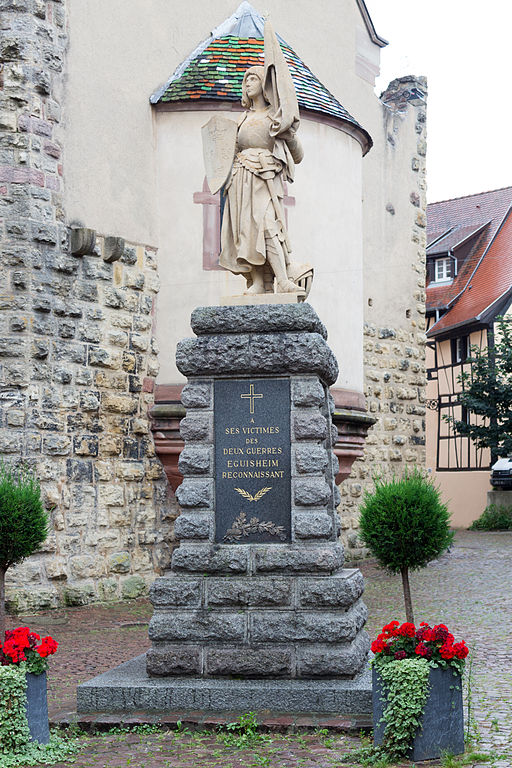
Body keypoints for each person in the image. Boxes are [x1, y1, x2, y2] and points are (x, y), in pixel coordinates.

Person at [219, 64, 305, 295]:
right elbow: (229, 152)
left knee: (267, 225)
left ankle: (283, 279)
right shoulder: (242, 119)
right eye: (246, 79)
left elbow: (297, 155)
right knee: (246, 231)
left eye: (253, 78)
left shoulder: (275, 117)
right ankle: (257, 282)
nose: (247, 83)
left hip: (265, 178)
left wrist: (290, 135)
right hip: (241, 179)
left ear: (264, 85)